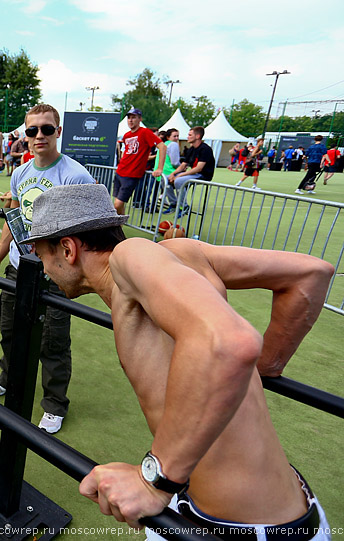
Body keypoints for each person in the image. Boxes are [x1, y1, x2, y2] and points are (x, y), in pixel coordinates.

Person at [25, 182, 333, 540]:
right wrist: (266, 368)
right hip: (281, 516)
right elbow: (311, 274)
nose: (41, 265)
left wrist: (154, 479)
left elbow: (229, 343)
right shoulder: (181, 253)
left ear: (67, 248)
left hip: (232, 530)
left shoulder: (132, 256)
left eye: (40, 252)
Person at [0, 104, 96, 434]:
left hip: (56, 275)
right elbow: (13, 222)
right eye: (32, 131)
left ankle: (55, 403)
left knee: (53, 342)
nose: (39, 136)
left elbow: (89, 231)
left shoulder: (75, 175)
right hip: (20, 269)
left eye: (47, 129)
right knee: (10, 329)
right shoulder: (20, 173)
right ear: (25, 135)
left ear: (58, 132)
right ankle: (9, 377)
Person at [114, 107, 165, 215]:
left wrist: (159, 168)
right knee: (118, 204)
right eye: (129, 118)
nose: (130, 120)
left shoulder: (145, 132)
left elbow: (162, 146)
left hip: (131, 175)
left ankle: (117, 227)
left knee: (117, 205)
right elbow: (128, 152)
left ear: (140, 119)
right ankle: (119, 228)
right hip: (120, 171)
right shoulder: (127, 135)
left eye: (133, 117)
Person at [165, 126, 214, 218]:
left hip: (203, 175)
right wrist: (173, 174)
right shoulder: (191, 149)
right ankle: (174, 204)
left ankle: (184, 207)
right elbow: (183, 165)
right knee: (165, 179)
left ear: (198, 136)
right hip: (194, 173)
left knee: (178, 181)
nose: (187, 137)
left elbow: (199, 168)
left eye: (190, 135)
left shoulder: (205, 149)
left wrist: (180, 176)